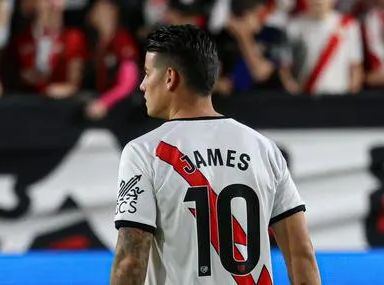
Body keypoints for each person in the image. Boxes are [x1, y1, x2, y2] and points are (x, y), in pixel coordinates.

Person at [109, 24, 321, 285]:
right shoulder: (264, 149)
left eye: (147, 74)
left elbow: (130, 259)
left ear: (170, 77)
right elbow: (301, 252)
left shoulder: (144, 153)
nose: (142, 85)